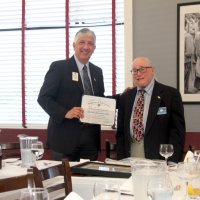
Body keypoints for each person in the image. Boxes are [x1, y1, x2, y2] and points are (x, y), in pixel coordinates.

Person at [37, 28, 105, 161]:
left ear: (94, 48)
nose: (86, 47)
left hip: (90, 139)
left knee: (89, 180)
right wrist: (65, 113)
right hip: (64, 139)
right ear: (74, 45)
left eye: (90, 43)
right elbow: (43, 98)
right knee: (64, 180)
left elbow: (100, 100)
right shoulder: (59, 67)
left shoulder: (97, 72)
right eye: (82, 42)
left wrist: (123, 96)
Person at [116, 57, 186, 163]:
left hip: (160, 161)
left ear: (152, 70)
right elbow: (120, 134)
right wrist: (121, 161)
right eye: (134, 70)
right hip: (129, 160)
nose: (138, 74)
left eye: (142, 69)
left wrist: (171, 161)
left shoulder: (170, 95)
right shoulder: (125, 97)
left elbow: (177, 133)